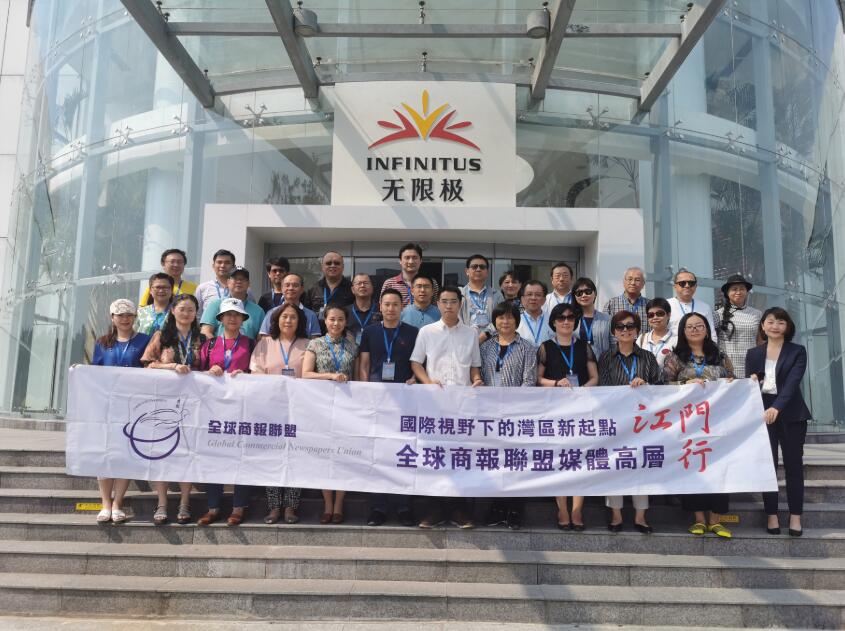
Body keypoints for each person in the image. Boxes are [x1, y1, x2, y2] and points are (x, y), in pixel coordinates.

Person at [410, 286, 483, 528]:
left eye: (453, 301)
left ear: (460, 304)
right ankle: (435, 510)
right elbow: (416, 363)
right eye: (444, 301)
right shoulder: (427, 331)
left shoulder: (471, 333)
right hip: (435, 404)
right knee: (436, 456)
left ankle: (459, 510)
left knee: (460, 456)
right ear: (438, 304)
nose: (449, 305)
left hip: (462, 405)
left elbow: (474, 366)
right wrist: (428, 382)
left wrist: (476, 380)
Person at [662, 312, 734, 538]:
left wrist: (730, 382)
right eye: (689, 327)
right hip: (689, 423)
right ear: (683, 331)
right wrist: (684, 383)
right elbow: (662, 387)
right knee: (694, 467)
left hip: (717, 422)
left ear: (707, 329)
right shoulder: (675, 357)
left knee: (720, 468)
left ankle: (716, 520)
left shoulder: (719, 355)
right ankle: (699, 519)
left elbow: (733, 380)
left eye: (699, 326)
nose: (694, 330)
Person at [140, 293, 205, 526]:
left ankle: (185, 502)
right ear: (173, 311)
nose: (186, 313)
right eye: (182, 308)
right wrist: (172, 366)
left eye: (191, 309)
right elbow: (148, 365)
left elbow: (208, 366)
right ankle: (162, 502)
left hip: (193, 403)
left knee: (188, 451)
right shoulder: (162, 336)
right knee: (163, 451)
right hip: (165, 402)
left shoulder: (202, 338)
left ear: (196, 314)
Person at [746, 307, 811, 537]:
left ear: (788, 327)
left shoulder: (797, 351)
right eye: (771, 321)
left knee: (794, 466)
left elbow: (793, 383)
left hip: (792, 414)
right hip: (763, 415)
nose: (775, 326)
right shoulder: (753, 353)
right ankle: (771, 514)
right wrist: (752, 381)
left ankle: (796, 516)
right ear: (763, 325)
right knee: (768, 466)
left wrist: (777, 407)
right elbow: (751, 386)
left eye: (781, 322)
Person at [358, 288, 419, 527]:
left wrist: (414, 379)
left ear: (402, 307)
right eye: (387, 304)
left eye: (395, 304)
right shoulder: (370, 332)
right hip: (377, 402)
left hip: (404, 402)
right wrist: (365, 391)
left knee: (404, 452)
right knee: (378, 453)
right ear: (380, 306)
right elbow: (364, 364)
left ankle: (404, 506)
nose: (391, 308)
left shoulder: (413, 333)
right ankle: (378, 507)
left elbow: (417, 363)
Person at [598, 310, 662, 534]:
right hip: (615, 420)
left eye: (630, 326)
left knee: (640, 466)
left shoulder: (648, 357)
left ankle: (640, 517)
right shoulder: (606, 357)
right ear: (614, 332)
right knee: (615, 465)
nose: (625, 330)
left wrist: (645, 384)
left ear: (637, 331)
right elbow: (603, 388)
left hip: (642, 422)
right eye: (620, 327)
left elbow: (660, 385)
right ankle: (616, 515)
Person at [537, 302, 598, 531]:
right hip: (555, 411)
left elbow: (595, 377)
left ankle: (577, 509)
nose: (566, 321)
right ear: (553, 322)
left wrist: (582, 390)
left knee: (580, 459)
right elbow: (538, 379)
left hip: (581, 410)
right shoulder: (545, 347)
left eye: (570, 318)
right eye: (561, 318)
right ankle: (562, 508)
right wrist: (556, 383)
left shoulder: (584, 346)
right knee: (559, 459)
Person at [91, 299, 151, 524]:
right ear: (112, 317)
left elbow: (149, 369)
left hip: (133, 406)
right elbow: (94, 372)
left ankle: (118, 503)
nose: (125, 319)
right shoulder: (102, 342)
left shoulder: (144, 340)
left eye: (129, 315)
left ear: (134, 317)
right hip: (107, 407)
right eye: (120, 315)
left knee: (126, 453)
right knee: (105, 453)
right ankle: (105, 503)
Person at [250, 302, 310, 525]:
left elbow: (312, 375)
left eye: (293, 317)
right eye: (284, 316)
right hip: (271, 410)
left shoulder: (308, 344)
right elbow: (255, 372)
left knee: (295, 458)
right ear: (276, 320)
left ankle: (291, 507)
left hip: (299, 410)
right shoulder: (265, 343)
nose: (288, 320)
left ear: (299, 321)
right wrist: (276, 386)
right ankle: (274, 506)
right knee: (272, 458)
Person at [196, 298, 254, 527]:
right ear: (220, 319)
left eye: (237, 314)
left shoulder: (250, 343)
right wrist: (210, 371)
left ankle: (239, 507)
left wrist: (246, 374)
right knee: (214, 455)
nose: (232, 318)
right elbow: (197, 373)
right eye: (228, 314)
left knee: (241, 456)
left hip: (242, 407)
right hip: (214, 408)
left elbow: (257, 371)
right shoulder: (210, 344)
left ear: (243, 319)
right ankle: (213, 507)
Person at [480, 301, 537, 530]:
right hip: (489, 414)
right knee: (495, 460)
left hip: (516, 415)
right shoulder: (485, 348)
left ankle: (515, 508)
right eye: (501, 317)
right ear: (495, 321)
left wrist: (512, 406)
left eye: (510, 317)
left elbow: (529, 381)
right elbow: (480, 375)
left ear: (517, 321)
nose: (505, 321)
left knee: (515, 460)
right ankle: (497, 507)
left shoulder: (527, 347)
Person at [302, 305, 358, 524]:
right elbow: (306, 374)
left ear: (345, 322)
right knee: (325, 455)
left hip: (346, 408)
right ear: (325, 321)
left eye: (340, 319)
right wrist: (330, 376)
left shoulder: (352, 345)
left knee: (343, 456)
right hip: (320, 408)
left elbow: (356, 378)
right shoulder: (315, 344)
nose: (336, 323)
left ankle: (339, 505)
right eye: (332, 319)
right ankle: (327, 505)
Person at [715, 274, 761, 379]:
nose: (738, 292)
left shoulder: (757, 314)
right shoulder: (717, 314)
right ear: (727, 293)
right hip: (727, 367)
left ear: (747, 292)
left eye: (742, 289)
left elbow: (760, 341)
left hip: (751, 364)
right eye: (734, 289)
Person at [200, 266, 265, 340]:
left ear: (248, 284)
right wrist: (218, 346)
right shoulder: (215, 305)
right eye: (235, 278)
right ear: (228, 282)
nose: (239, 281)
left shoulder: (258, 311)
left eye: (243, 279)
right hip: (219, 347)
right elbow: (206, 332)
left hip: (249, 347)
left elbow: (261, 340)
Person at [258, 273, 321, 339]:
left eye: (295, 285)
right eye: (287, 285)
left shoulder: (311, 315)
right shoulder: (271, 313)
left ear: (302, 289)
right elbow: (264, 339)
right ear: (282, 288)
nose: (290, 288)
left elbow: (315, 341)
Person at [459, 254, 504, 344]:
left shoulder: (497, 295)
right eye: (474, 266)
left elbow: (502, 318)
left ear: (487, 272)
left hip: (492, 342)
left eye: (482, 267)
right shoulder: (459, 294)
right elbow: (455, 318)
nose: (478, 269)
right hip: (465, 342)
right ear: (467, 271)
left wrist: (485, 335)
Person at [668, 268, 716, 340]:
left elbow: (711, 333)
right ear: (675, 286)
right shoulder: (666, 305)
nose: (687, 286)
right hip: (674, 346)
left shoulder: (705, 307)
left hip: (700, 347)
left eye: (691, 283)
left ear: (696, 286)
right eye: (682, 283)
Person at [571, 277, 612, 359]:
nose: (584, 295)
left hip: (603, 363)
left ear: (595, 293)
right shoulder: (570, 319)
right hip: (578, 363)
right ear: (575, 297)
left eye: (588, 291)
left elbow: (614, 345)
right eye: (579, 293)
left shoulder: (607, 319)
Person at [304, 250, 354, 316]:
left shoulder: (352, 288)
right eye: (328, 263)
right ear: (322, 267)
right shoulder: (313, 289)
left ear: (343, 267)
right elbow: (307, 315)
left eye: (337, 263)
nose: (332, 265)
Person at [636, 298, 676, 368]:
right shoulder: (642, 338)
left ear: (668, 315)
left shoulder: (676, 339)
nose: (655, 317)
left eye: (660, 314)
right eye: (651, 315)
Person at [196, 249, 236, 316]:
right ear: (213, 266)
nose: (222, 265)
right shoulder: (203, 288)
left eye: (227, 263)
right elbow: (197, 314)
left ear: (233, 267)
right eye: (219, 262)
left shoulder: (242, 289)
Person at [345, 273, 382, 344]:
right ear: (352, 289)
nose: (362, 285)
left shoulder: (382, 309)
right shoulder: (344, 312)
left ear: (372, 288)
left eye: (366, 283)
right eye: (358, 283)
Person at [516, 280, 553, 347]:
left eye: (538, 295)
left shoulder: (552, 320)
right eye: (529, 294)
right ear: (522, 299)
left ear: (544, 299)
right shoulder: (515, 320)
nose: (533, 298)